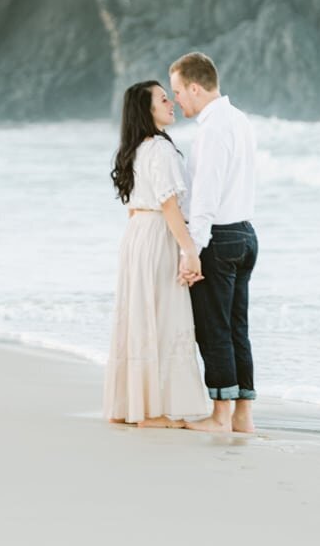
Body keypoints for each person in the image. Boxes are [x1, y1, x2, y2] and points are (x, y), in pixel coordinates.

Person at [103, 81, 225, 431]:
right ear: (147, 110)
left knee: (138, 315)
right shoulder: (161, 150)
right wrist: (190, 251)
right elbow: (170, 206)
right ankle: (157, 411)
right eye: (162, 99)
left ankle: (128, 404)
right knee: (164, 316)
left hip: (136, 235)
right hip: (158, 233)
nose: (171, 102)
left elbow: (134, 208)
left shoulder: (133, 150)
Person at [168, 52, 260, 434]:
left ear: (195, 86)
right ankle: (243, 416)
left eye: (177, 91)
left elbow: (205, 197)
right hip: (245, 232)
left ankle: (220, 416)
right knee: (237, 326)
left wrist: (194, 251)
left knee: (213, 328)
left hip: (218, 238)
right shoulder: (240, 120)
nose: (175, 100)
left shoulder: (212, 129)